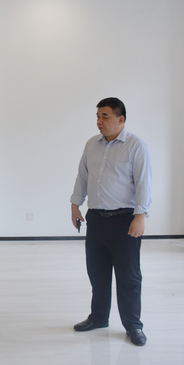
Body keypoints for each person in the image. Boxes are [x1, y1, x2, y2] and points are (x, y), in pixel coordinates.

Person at [70, 97, 152, 346]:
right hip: (96, 219)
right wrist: (75, 204)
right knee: (97, 273)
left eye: (105, 116)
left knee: (129, 278)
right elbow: (83, 176)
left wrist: (140, 216)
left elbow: (144, 184)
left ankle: (133, 325)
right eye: (97, 116)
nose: (99, 121)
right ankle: (98, 317)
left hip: (124, 220)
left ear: (121, 119)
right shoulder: (91, 145)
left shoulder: (136, 146)